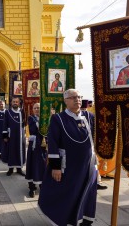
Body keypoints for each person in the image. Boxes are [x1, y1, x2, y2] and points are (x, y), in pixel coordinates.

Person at [38, 89, 97, 226]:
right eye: (73, 97)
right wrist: (55, 167)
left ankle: (83, 219)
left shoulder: (90, 117)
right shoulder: (58, 119)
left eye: (79, 97)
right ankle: (64, 219)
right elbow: (53, 143)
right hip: (68, 166)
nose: (77, 99)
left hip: (88, 165)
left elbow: (96, 139)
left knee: (87, 193)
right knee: (68, 194)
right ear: (65, 101)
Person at [25, 103, 47, 198]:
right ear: (32, 110)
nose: (37, 109)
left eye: (38, 108)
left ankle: (43, 185)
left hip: (43, 145)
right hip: (34, 146)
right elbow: (34, 129)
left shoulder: (45, 118)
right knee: (33, 164)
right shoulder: (31, 118)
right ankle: (32, 188)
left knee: (43, 164)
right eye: (35, 108)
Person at [2, 96, 26, 176]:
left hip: (20, 136)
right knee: (11, 151)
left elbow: (24, 123)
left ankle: (19, 169)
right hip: (11, 136)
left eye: (16, 102)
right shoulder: (8, 112)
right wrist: (5, 136)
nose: (15, 103)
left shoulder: (22, 111)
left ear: (19, 103)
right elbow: (5, 124)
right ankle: (10, 169)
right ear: (11, 103)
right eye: (14, 102)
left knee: (20, 151)